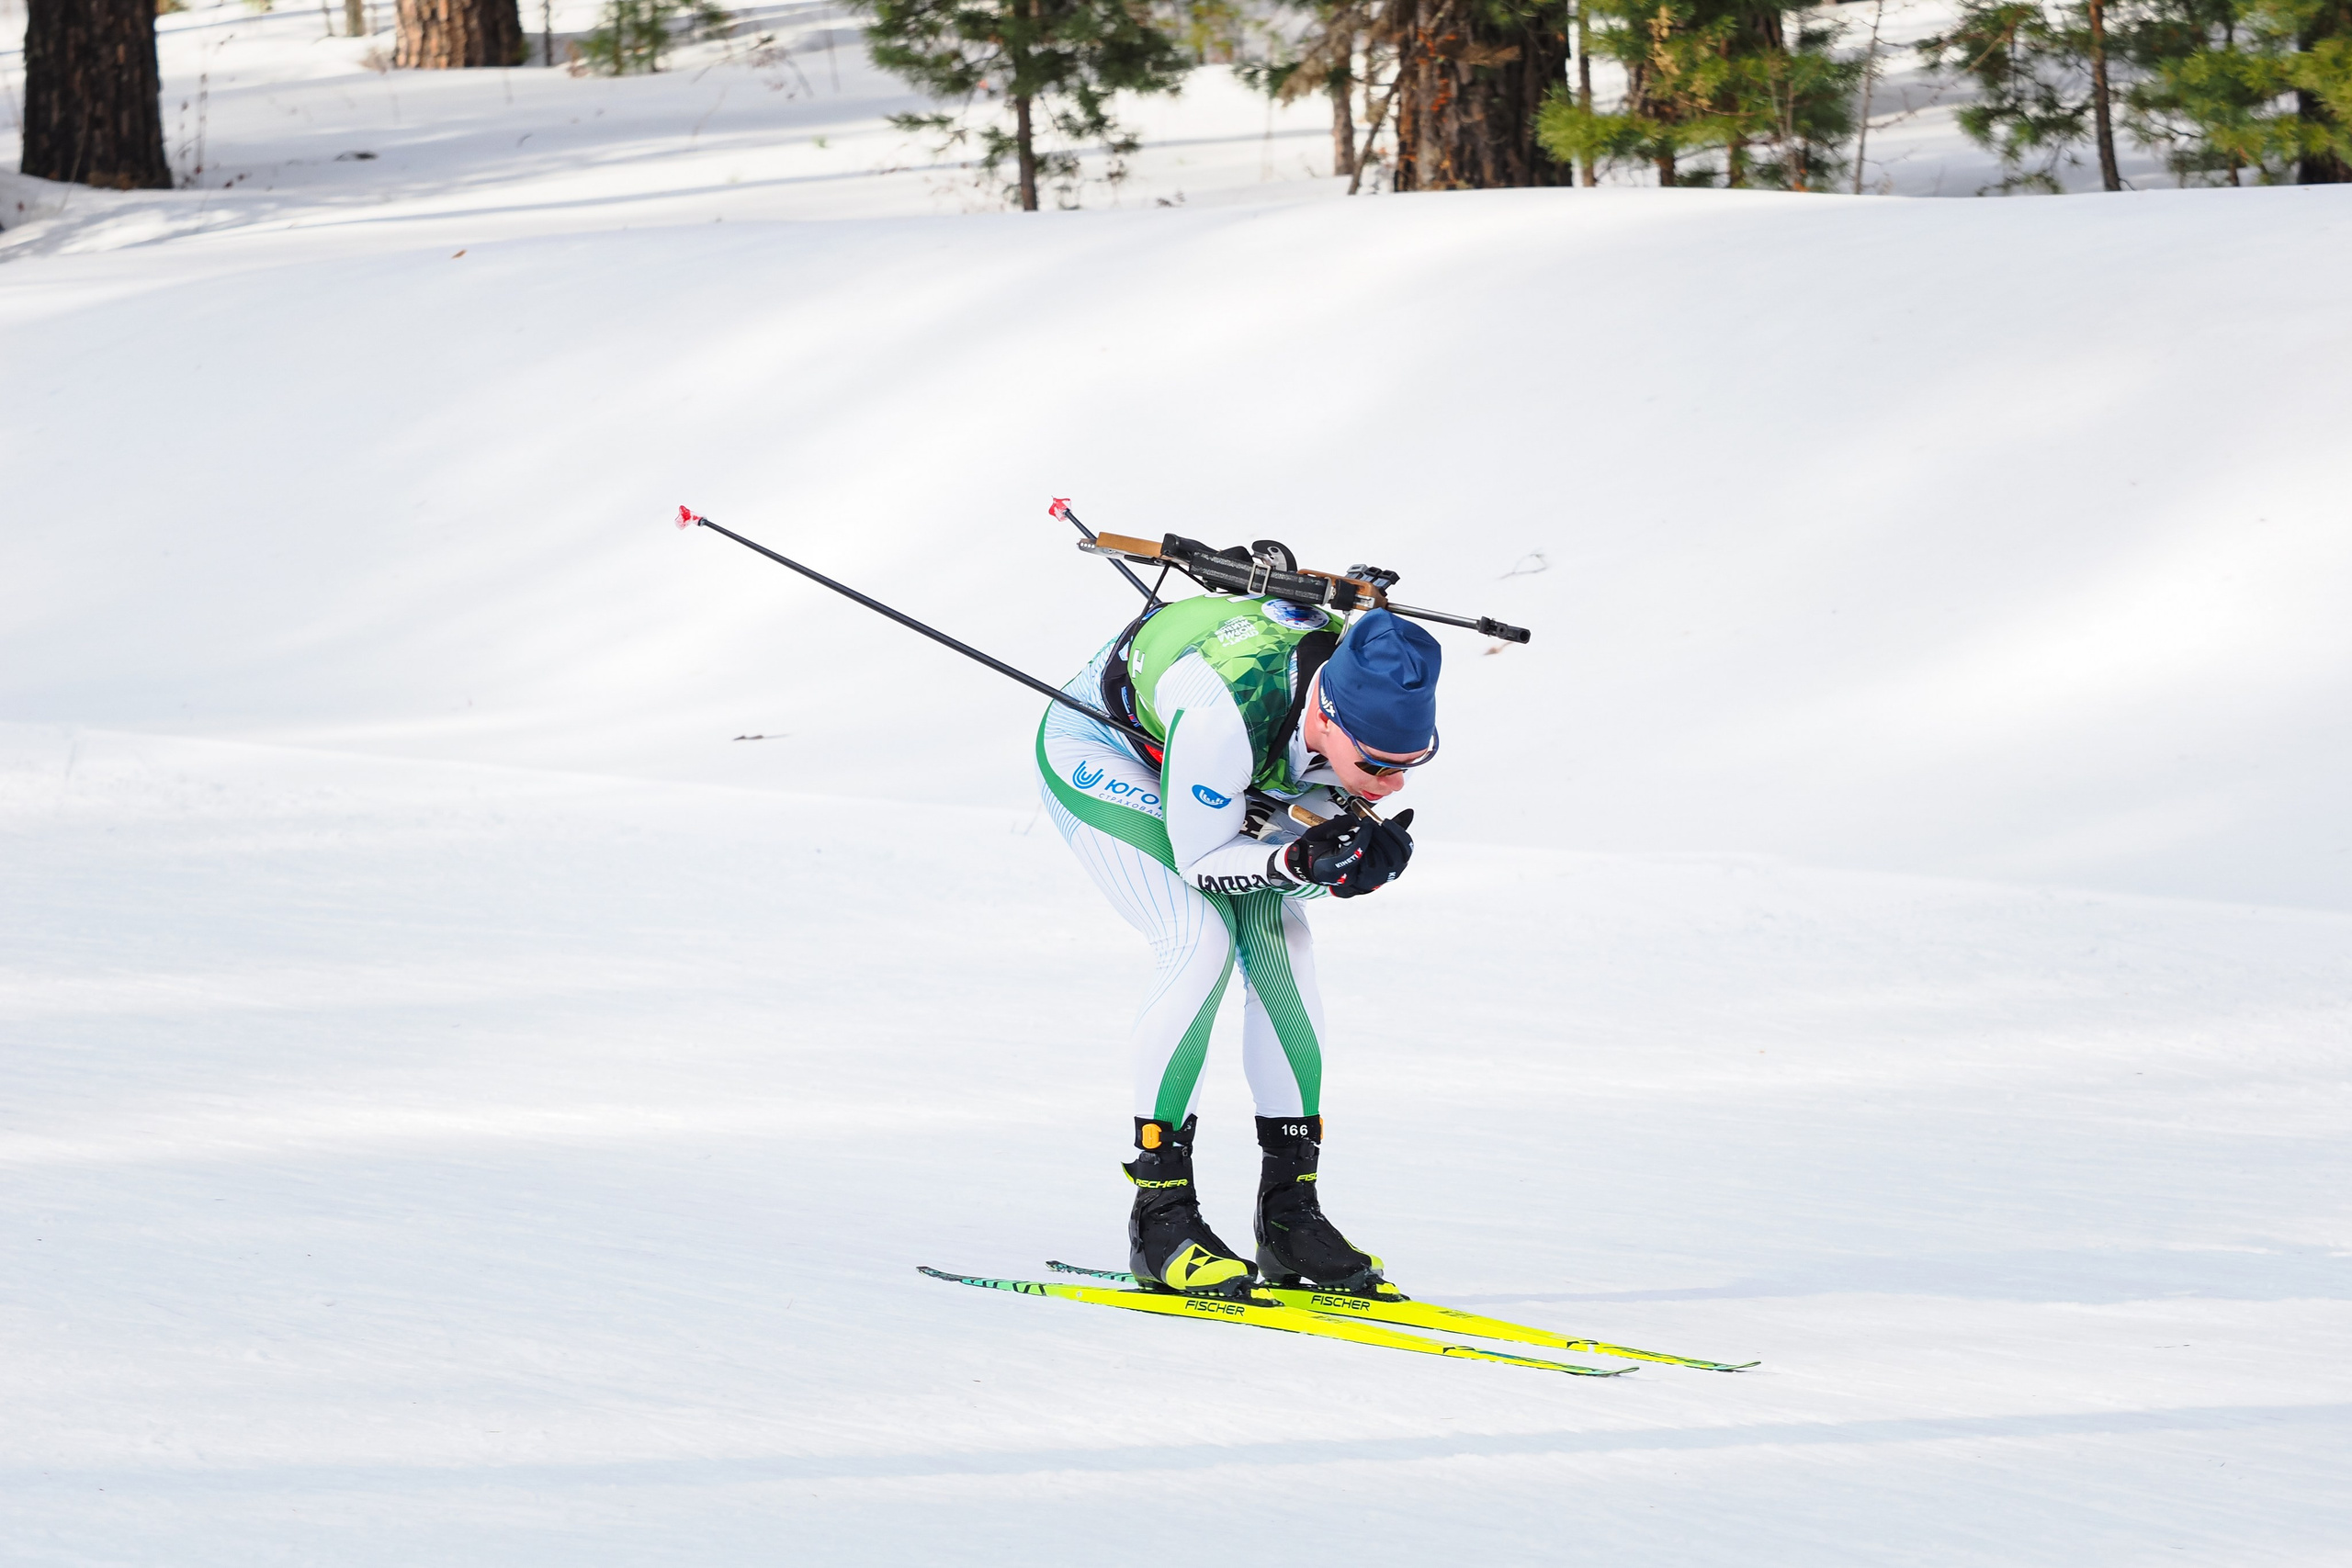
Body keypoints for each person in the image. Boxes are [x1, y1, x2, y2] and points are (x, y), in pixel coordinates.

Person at [1036, 588, 1440, 1297]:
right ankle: (1159, 1215)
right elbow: (1204, 862)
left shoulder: (1352, 694)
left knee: (1285, 943)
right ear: (1327, 715)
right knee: (1196, 939)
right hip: (1105, 749)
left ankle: (1291, 1215)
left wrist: (1342, 870)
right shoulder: (1228, 710)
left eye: (1412, 763)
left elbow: (1303, 823)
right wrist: (1300, 862)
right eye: (1377, 765)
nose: (1392, 782)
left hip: (1221, 772)